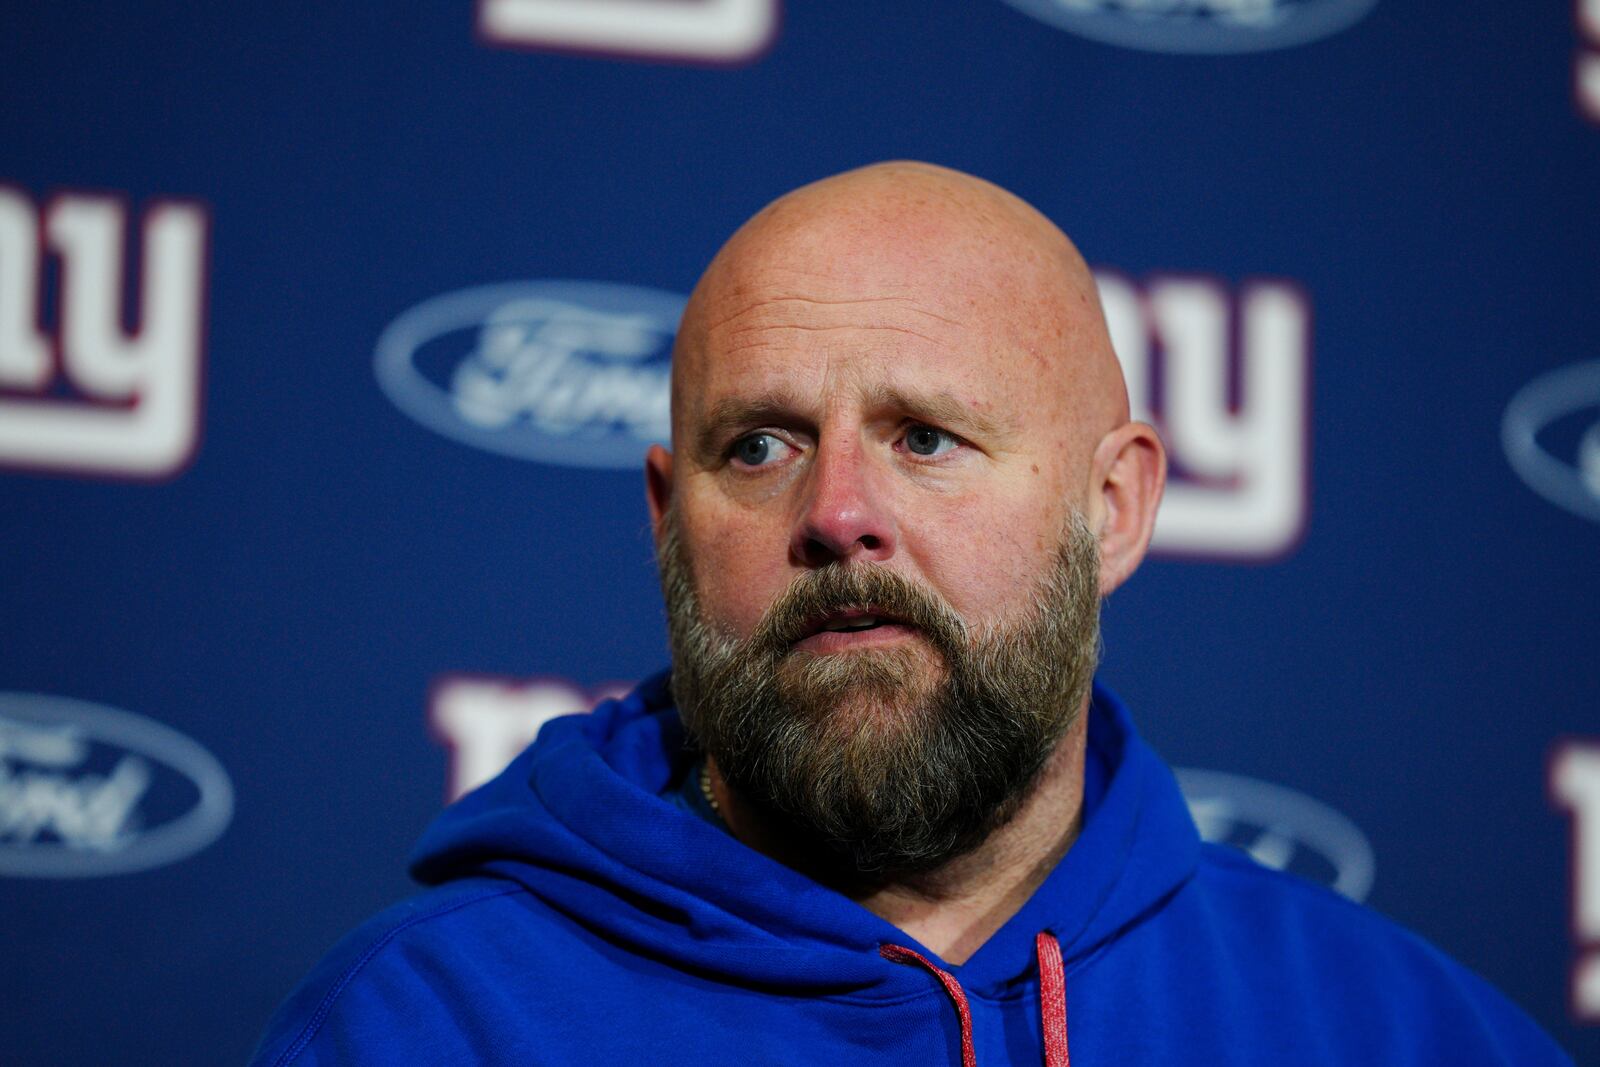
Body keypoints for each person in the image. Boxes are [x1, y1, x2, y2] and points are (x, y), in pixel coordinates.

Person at [251, 163, 1572, 1066]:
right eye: (760, 446)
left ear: (1112, 508)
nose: (837, 512)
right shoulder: (430, 1027)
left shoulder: (1397, 1034)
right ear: (666, 519)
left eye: (927, 438)